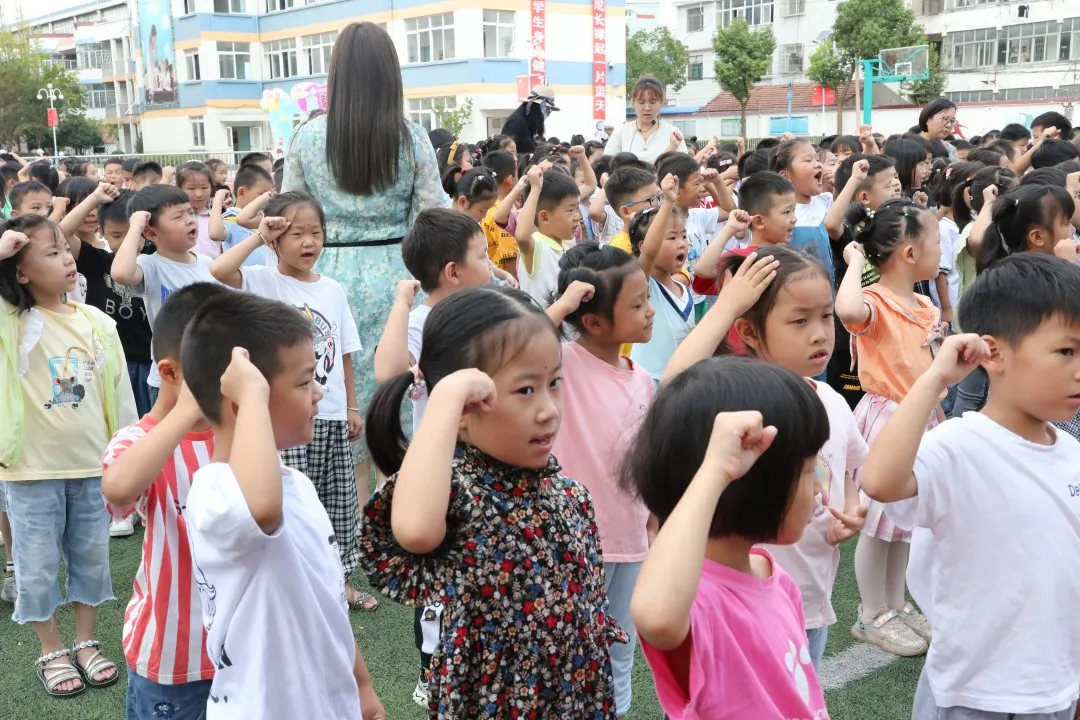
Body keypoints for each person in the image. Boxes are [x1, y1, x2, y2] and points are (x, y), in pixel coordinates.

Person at [359, 286, 625, 718]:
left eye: (553, 383)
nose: (548, 410)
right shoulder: (464, 492)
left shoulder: (568, 493)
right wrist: (443, 398)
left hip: (574, 695)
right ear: (463, 410)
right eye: (525, 390)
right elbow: (415, 530)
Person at [859, 254, 1080, 719]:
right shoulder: (959, 444)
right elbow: (880, 481)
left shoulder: (1071, 452)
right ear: (993, 353)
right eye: (1066, 351)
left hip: (1056, 689)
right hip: (974, 692)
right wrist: (935, 377)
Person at [180, 292, 384, 719]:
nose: (319, 392)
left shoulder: (299, 486)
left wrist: (361, 685)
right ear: (241, 401)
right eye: (304, 381)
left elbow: (326, 597)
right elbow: (263, 512)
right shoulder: (213, 490)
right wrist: (253, 393)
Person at [663, 247, 868, 672]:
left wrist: (851, 510)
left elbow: (849, 467)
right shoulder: (741, 403)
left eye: (826, 316)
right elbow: (675, 386)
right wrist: (727, 306)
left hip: (809, 600)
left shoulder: (831, 400)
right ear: (750, 333)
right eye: (799, 320)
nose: (819, 333)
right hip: (737, 604)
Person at [282, 22, 447, 482]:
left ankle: (346, 530)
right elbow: (432, 218)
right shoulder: (411, 139)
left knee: (336, 394)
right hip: (401, 280)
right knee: (400, 393)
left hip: (324, 279)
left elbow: (289, 216)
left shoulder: (307, 138)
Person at [625, 356, 830, 718]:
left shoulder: (776, 580)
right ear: (749, 482)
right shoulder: (699, 600)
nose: (819, 488)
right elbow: (656, 616)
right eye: (809, 469)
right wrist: (715, 470)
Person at [211, 191, 377, 612]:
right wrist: (256, 236)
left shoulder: (334, 289)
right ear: (275, 238)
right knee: (291, 505)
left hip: (333, 413)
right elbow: (219, 269)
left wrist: (352, 407)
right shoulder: (264, 280)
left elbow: (344, 352)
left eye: (316, 233)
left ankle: (337, 585)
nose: (308, 243)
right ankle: (293, 588)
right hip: (284, 419)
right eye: (296, 233)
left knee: (336, 506)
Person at [0, 219, 137, 697]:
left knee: (91, 559)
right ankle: (51, 648)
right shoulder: (9, 323)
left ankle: (84, 641)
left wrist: (125, 452)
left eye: (66, 249)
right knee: (35, 565)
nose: (67, 258)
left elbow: (119, 396)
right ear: (19, 273)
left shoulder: (95, 321)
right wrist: (4, 247)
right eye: (51, 253)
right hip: (31, 471)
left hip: (90, 467)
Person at [372, 208, 494, 707]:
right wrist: (403, 303)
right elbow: (388, 371)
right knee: (440, 574)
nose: (491, 264)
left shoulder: (492, 309)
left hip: (491, 466)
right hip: (441, 473)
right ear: (452, 272)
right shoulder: (424, 320)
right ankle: (433, 667)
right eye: (483, 256)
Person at [100, 282, 232, 718]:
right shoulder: (138, 441)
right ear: (171, 373)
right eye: (224, 372)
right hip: (172, 660)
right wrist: (183, 416)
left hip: (240, 654)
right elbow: (118, 490)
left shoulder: (241, 436)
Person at [546, 245, 656, 718]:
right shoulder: (561, 365)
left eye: (647, 298)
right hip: (572, 546)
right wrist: (564, 304)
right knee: (565, 653)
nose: (649, 310)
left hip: (630, 541)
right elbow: (511, 341)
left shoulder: (643, 378)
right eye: (636, 304)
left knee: (620, 647)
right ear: (591, 321)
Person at [836, 198, 943, 658]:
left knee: (905, 525)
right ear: (910, 254)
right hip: (889, 420)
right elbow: (846, 308)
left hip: (923, 420)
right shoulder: (875, 302)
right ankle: (871, 612)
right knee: (880, 524)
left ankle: (895, 604)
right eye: (936, 240)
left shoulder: (922, 303)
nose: (942, 248)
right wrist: (856, 261)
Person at [111, 185, 217, 408]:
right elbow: (120, 273)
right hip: (168, 381)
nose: (190, 220)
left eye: (190, 212)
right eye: (178, 216)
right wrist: (135, 227)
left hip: (209, 375)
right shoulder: (151, 265)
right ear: (151, 233)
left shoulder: (207, 264)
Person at [627, 174, 693, 381]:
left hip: (682, 381)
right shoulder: (644, 285)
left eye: (684, 235)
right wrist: (667, 203)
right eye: (672, 237)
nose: (681, 243)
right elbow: (649, 252)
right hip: (652, 380)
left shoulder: (682, 287)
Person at [514, 165, 581, 308]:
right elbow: (521, 236)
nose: (578, 217)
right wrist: (535, 188)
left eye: (577, 208)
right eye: (570, 210)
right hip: (541, 328)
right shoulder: (537, 246)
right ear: (544, 217)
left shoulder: (565, 248)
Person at [771, 139, 834, 285]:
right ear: (785, 175)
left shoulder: (825, 200)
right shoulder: (779, 215)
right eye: (808, 160)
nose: (818, 164)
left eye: (817, 159)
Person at [604, 75, 688, 164]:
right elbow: (606, 165)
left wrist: (672, 147)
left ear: (661, 102)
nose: (647, 108)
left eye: (652, 102)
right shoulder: (621, 132)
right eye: (641, 102)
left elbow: (684, 167)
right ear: (633, 102)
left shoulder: (673, 133)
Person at [597, 166, 660, 254]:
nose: (657, 205)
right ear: (626, 212)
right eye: (650, 199)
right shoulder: (621, 249)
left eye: (657, 197)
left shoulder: (658, 234)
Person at [500, 86, 558, 157]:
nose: (549, 113)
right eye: (547, 109)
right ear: (537, 107)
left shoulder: (528, 125)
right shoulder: (517, 123)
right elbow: (506, 155)